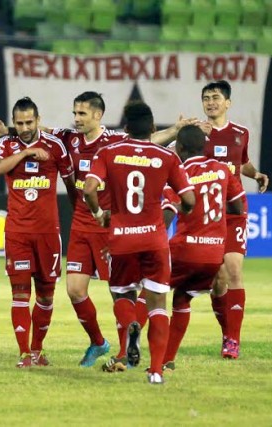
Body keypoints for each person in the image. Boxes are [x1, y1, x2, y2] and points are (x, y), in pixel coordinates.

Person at [0, 93, 198, 368]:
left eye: (82, 114)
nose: (76, 119)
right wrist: (9, 132)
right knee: (74, 290)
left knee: (120, 291)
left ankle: (124, 352)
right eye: (75, 113)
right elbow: (39, 131)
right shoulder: (70, 138)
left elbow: (145, 144)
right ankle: (98, 342)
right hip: (83, 224)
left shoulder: (115, 141)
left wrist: (174, 131)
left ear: (98, 115)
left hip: (110, 225)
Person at [83, 101, 195, 384]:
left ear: (126, 129)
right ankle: (156, 372)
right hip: (155, 240)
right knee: (158, 303)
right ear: (153, 129)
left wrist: (99, 214)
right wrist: (183, 212)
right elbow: (189, 200)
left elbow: (89, 189)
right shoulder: (166, 157)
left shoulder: (109, 152)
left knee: (122, 296)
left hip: (121, 239)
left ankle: (131, 323)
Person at [0, 97, 77, 368]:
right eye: (19, 123)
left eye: (29, 122)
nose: (25, 127)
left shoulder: (56, 146)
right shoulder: (6, 144)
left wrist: (83, 215)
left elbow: (71, 184)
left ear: (38, 120)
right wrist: (26, 153)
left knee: (47, 295)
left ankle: (37, 350)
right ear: (14, 123)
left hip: (49, 233)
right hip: (17, 232)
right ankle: (24, 353)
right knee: (19, 294)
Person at [159, 125, 245, 372]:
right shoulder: (221, 169)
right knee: (182, 297)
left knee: (150, 291)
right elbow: (238, 208)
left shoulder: (180, 172)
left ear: (181, 148)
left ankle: (127, 346)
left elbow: (168, 212)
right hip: (214, 254)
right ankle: (168, 359)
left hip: (185, 250)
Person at [199, 80, 269, 359]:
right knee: (217, 280)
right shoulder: (195, 134)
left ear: (228, 102)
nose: (210, 102)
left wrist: (256, 174)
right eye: (206, 98)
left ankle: (233, 340)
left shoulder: (241, 133)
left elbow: (241, 163)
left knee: (234, 270)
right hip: (206, 214)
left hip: (234, 210)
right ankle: (227, 331)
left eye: (216, 97)